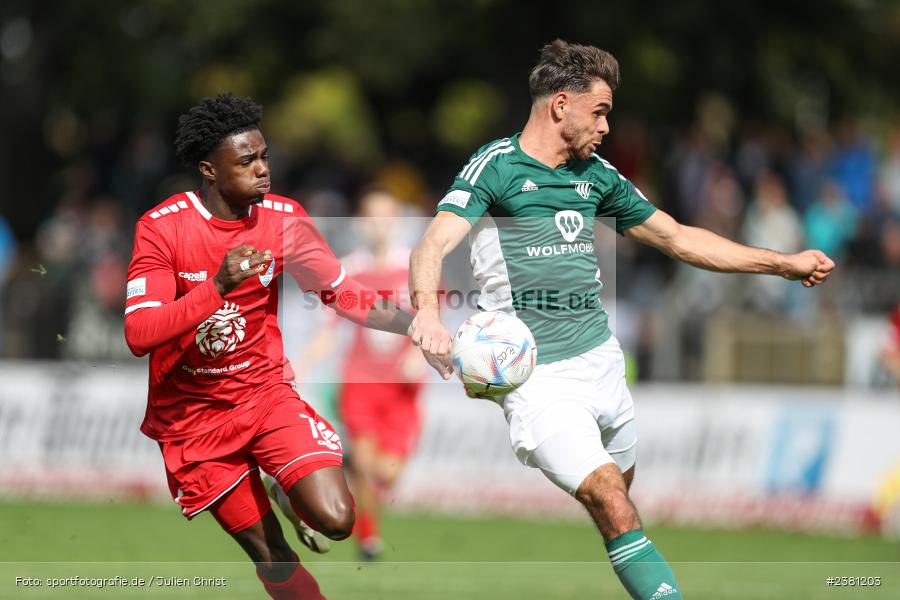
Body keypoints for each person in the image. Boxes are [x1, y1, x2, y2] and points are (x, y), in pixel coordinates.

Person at [407, 40, 835, 600]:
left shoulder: (597, 176)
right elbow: (433, 242)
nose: (608, 127)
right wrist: (428, 314)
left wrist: (780, 263)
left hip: (603, 364)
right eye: (601, 111)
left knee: (622, 504)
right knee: (611, 499)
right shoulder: (497, 166)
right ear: (560, 104)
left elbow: (678, 238)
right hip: (536, 379)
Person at [123, 93, 423, 599]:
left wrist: (415, 327)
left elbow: (341, 292)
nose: (263, 170)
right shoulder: (163, 227)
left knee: (337, 520)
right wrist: (216, 285)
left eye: (264, 157)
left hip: (265, 395)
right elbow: (140, 334)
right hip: (192, 418)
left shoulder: (284, 218)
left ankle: (284, 485)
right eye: (247, 161)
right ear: (209, 170)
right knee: (274, 557)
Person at [299, 188, 425, 560]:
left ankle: (349, 469)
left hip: (403, 389)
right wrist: (301, 367)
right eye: (372, 216)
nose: (379, 224)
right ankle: (368, 536)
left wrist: (419, 352)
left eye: (386, 216)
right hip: (359, 382)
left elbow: (430, 321)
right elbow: (327, 328)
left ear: (398, 222)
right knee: (368, 463)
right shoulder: (349, 271)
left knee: (388, 474)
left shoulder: (416, 266)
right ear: (361, 223)